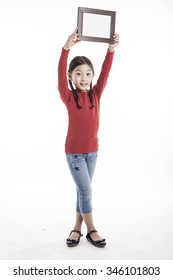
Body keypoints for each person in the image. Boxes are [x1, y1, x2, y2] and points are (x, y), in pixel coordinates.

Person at [57, 28, 119, 248]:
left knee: (82, 191)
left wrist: (110, 50)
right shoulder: (68, 97)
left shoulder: (96, 94)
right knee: (86, 190)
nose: (84, 78)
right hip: (74, 153)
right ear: (70, 76)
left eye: (87, 73)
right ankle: (92, 230)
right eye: (78, 73)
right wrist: (66, 49)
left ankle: (76, 228)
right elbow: (59, 76)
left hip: (93, 152)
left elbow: (106, 73)